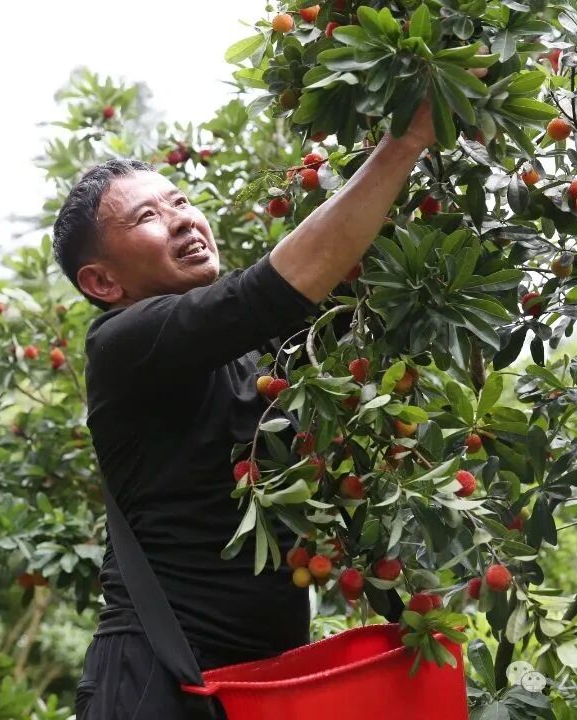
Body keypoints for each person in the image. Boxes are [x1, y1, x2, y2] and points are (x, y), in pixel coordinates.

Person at [51, 103, 436, 719]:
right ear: (103, 283)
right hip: (157, 683)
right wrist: (406, 139)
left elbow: (347, 272)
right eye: (148, 216)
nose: (182, 219)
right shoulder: (121, 344)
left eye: (180, 202)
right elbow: (271, 290)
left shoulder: (263, 358)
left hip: (262, 686)